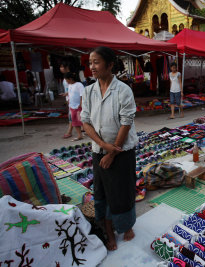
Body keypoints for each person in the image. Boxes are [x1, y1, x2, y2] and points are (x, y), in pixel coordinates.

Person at [80, 46, 137, 251]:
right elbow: (85, 122)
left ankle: (126, 226)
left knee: (123, 192)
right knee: (102, 193)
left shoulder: (123, 90)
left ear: (110, 64)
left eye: (96, 62)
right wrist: (104, 146)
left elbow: (126, 122)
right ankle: (110, 233)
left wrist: (113, 153)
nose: (92, 67)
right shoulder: (88, 91)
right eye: (90, 62)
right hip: (99, 151)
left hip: (123, 152)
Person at [65, 72, 84, 141]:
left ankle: (90, 133)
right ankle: (80, 135)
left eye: (67, 80)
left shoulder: (79, 85)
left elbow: (82, 94)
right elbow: (70, 93)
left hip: (78, 106)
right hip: (72, 106)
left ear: (70, 79)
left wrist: (81, 104)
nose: (67, 82)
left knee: (81, 120)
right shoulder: (70, 85)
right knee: (75, 121)